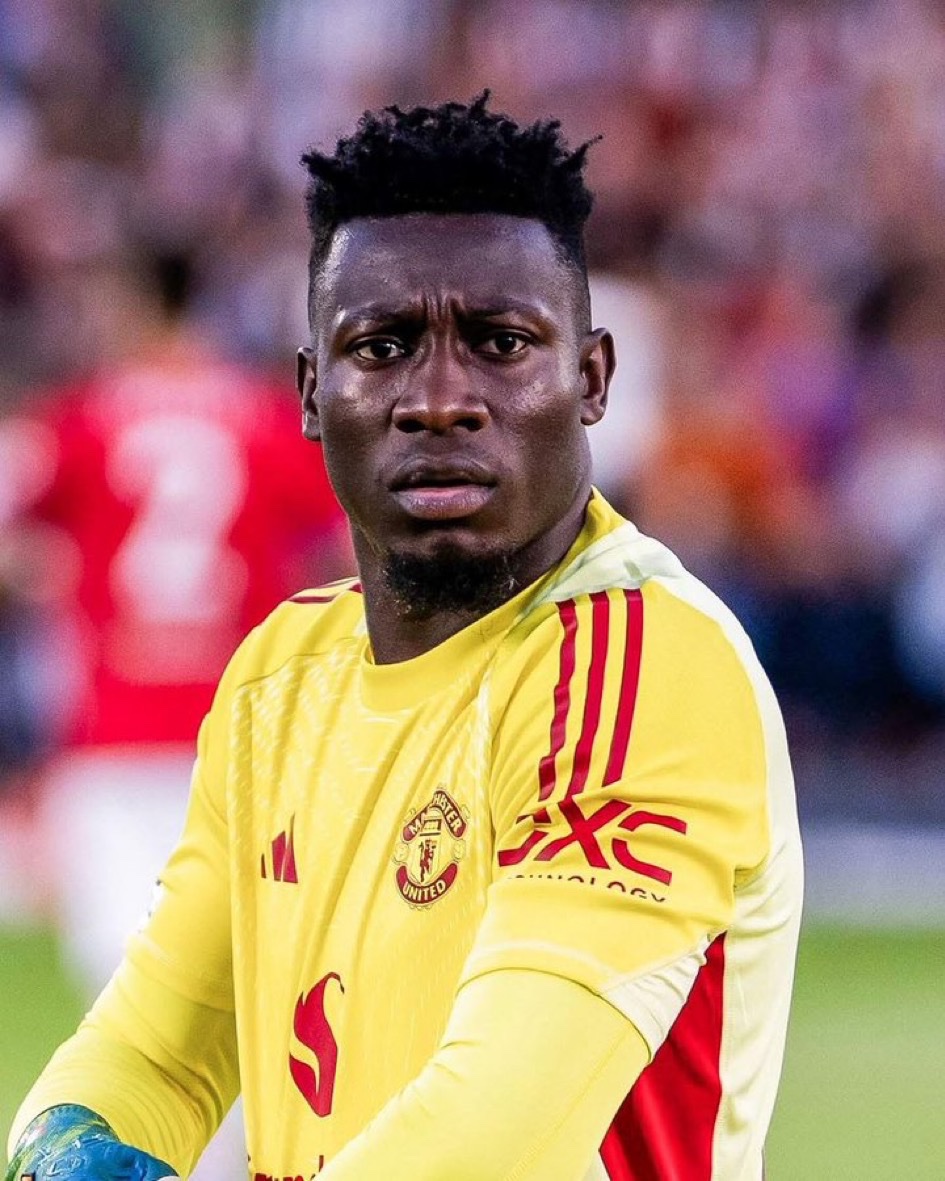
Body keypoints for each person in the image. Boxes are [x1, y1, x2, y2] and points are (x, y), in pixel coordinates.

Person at [4, 94, 803, 1181]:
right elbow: (150, 1052)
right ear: (309, 393)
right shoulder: (279, 675)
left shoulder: (640, 665)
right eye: (383, 346)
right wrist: (61, 1149)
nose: (439, 399)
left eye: (500, 343)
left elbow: (491, 1137)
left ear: (592, 379)